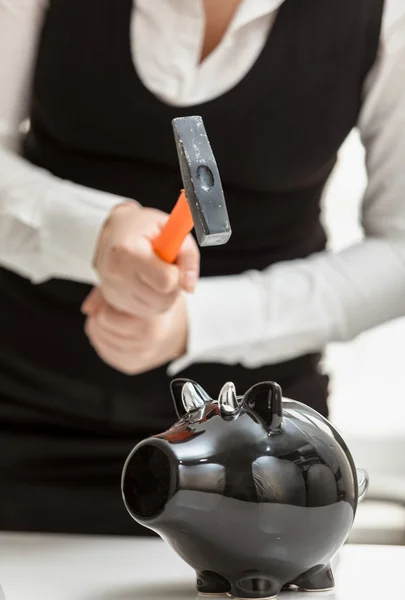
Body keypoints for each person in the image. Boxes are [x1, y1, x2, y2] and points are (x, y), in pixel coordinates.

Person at [0, 0, 404, 536]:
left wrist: (193, 323)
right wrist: (95, 232)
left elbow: (399, 252)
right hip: (19, 415)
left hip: (258, 461)